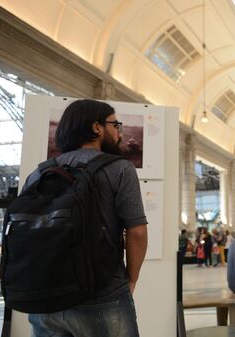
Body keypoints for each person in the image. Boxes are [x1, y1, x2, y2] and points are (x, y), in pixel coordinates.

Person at [23, 99, 147, 336]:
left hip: (46, 299)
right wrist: (131, 279)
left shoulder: (39, 172)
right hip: (103, 295)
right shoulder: (120, 168)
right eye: (115, 124)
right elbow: (137, 231)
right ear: (96, 127)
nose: (118, 131)